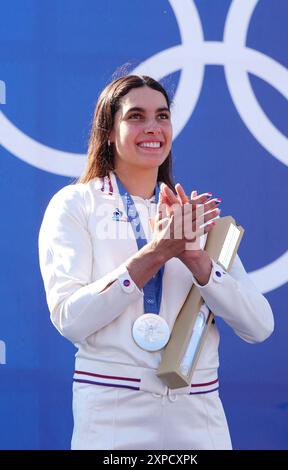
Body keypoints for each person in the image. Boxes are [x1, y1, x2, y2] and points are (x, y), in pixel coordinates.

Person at [38, 74, 274, 450]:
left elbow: (259, 326)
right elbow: (71, 319)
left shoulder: (193, 216)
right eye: (136, 116)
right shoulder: (76, 204)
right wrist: (157, 252)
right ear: (109, 132)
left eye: (162, 116)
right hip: (114, 413)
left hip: (199, 414)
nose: (153, 127)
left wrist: (197, 260)